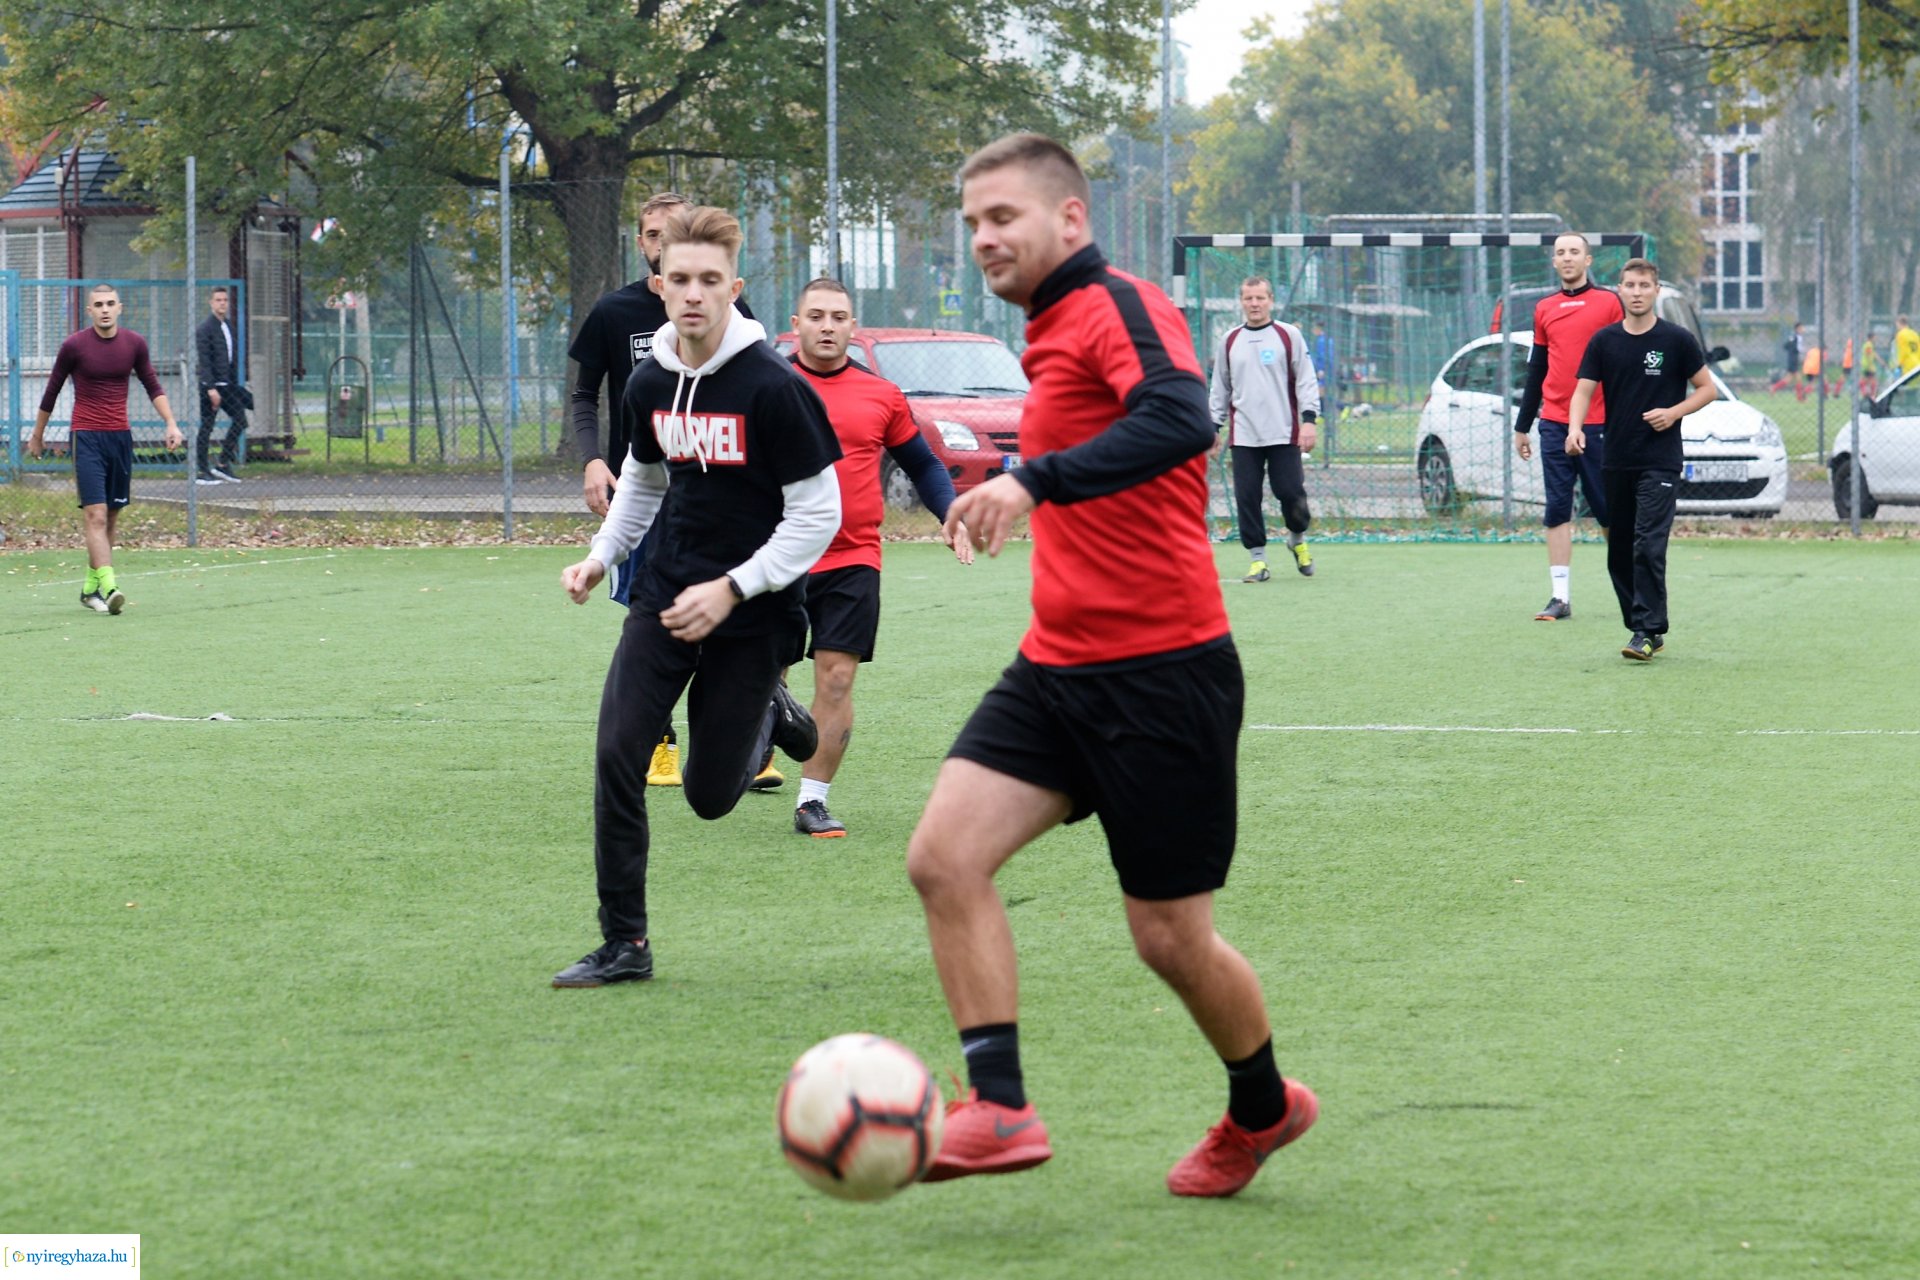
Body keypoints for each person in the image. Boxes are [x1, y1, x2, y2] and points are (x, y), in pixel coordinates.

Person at [909, 133, 1316, 1198]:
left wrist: (1029, 479)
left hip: (1163, 670)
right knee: (943, 858)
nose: (986, 238)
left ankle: (1264, 1107)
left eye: (1004, 216)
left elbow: (1181, 418)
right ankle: (997, 1106)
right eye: (973, 225)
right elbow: (1097, 442)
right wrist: (1010, 477)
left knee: (1171, 940)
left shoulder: (1117, 303)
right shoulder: (1047, 330)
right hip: (1056, 666)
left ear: (1070, 220)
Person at [551, 206, 842, 987]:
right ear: (660, 284)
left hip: (754, 614)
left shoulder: (775, 388)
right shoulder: (649, 381)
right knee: (617, 754)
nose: (693, 295)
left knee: (712, 798)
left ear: (733, 288)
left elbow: (821, 515)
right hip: (664, 597)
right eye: (678, 279)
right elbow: (643, 482)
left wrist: (736, 587)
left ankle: (771, 710)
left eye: (709, 281)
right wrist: (601, 554)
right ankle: (625, 944)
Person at [567, 192, 760, 790]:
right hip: (645, 493)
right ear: (644, 244)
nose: (660, 245)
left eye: (670, 234)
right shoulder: (614, 313)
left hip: (720, 502)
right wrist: (595, 460)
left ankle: (752, 723)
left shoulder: (739, 330)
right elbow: (583, 395)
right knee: (649, 618)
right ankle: (658, 744)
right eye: (653, 236)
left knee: (737, 620)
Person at [782, 277, 969, 838]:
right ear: (796, 325)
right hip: (775, 557)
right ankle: (753, 740)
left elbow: (924, 465)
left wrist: (950, 514)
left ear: (852, 326)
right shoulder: (767, 385)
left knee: (836, 680)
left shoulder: (881, 395)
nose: (827, 326)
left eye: (838, 317)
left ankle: (812, 801)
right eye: (815, 316)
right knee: (761, 674)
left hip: (852, 556)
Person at [1566, 258, 1717, 661]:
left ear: (1655, 292)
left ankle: (1646, 630)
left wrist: (1674, 412)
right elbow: (1582, 391)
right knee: (1619, 551)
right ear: (1619, 290)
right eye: (1629, 285)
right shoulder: (1604, 341)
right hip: (1616, 458)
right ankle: (1643, 623)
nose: (1636, 292)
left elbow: (1707, 389)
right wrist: (1574, 428)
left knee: (1648, 544)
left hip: (1660, 459)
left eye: (1644, 286)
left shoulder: (1676, 340)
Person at [28, 284, 184, 614]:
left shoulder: (134, 344)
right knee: (95, 514)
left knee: (111, 517)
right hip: (86, 436)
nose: (104, 309)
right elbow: (51, 392)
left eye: (110, 303)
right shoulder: (74, 346)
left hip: (119, 439)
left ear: (120, 308)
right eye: (98, 304)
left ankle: (89, 588)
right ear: (89, 311)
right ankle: (110, 586)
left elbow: (152, 384)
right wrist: (37, 435)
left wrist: (170, 422)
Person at [1512, 233, 1622, 622]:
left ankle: (1628, 584)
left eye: (1574, 251)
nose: (1567, 258)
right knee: (1557, 507)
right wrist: (1523, 424)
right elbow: (1537, 369)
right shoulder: (1544, 309)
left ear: (1588, 260)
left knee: (1609, 511)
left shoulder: (1610, 303)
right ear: (1554, 262)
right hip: (1555, 423)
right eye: (1560, 253)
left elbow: (1623, 361)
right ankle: (1560, 597)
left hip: (1600, 425)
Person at [1208, 276, 1319, 582]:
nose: (1254, 304)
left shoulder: (1288, 335)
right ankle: (1258, 560)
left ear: (1271, 300)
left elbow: (1307, 380)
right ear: (1241, 302)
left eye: (1260, 298)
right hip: (1244, 435)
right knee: (1247, 497)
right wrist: (1213, 427)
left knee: (1291, 493)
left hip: (1284, 432)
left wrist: (1309, 421)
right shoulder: (1230, 340)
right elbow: (1220, 387)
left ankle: (1297, 539)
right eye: (1248, 299)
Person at [193, 286, 248, 484]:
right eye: (218, 300)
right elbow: (205, 361)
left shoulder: (229, 327)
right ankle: (202, 470)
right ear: (211, 302)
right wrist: (211, 388)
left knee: (241, 420)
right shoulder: (204, 329)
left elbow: (232, 358)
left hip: (228, 386)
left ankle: (223, 464)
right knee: (207, 427)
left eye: (225, 300)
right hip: (212, 387)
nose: (222, 303)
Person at [1769, 323, 1805, 394]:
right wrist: (1795, 350)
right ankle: (1800, 397)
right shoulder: (1796, 337)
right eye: (1802, 328)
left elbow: (1786, 346)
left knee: (1789, 379)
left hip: (1793, 359)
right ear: (1797, 329)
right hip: (1793, 360)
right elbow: (1790, 347)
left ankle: (1774, 388)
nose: (1803, 329)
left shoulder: (1794, 337)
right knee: (1798, 378)